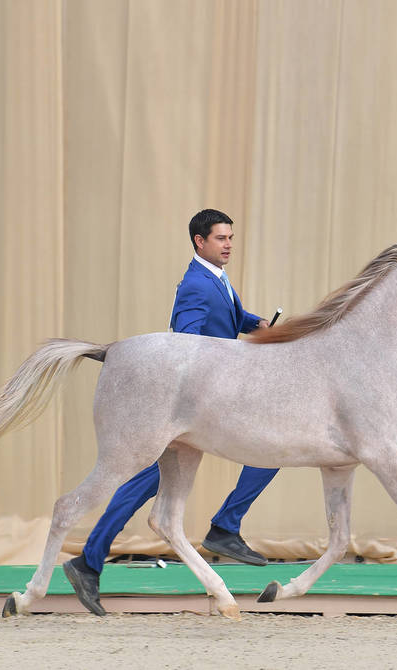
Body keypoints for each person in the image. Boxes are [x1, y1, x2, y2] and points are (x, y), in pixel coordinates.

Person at [62, 208, 279, 615]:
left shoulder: (215, 277)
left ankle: (89, 560)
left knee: (149, 480)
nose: (229, 244)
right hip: (198, 400)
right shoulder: (196, 285)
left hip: (210, 396)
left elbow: (228, 317)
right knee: (272, 449)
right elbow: (185, 340)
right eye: (221, 238)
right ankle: (224, 527)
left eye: (231, 237)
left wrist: (255, 324)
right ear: (200, 241)